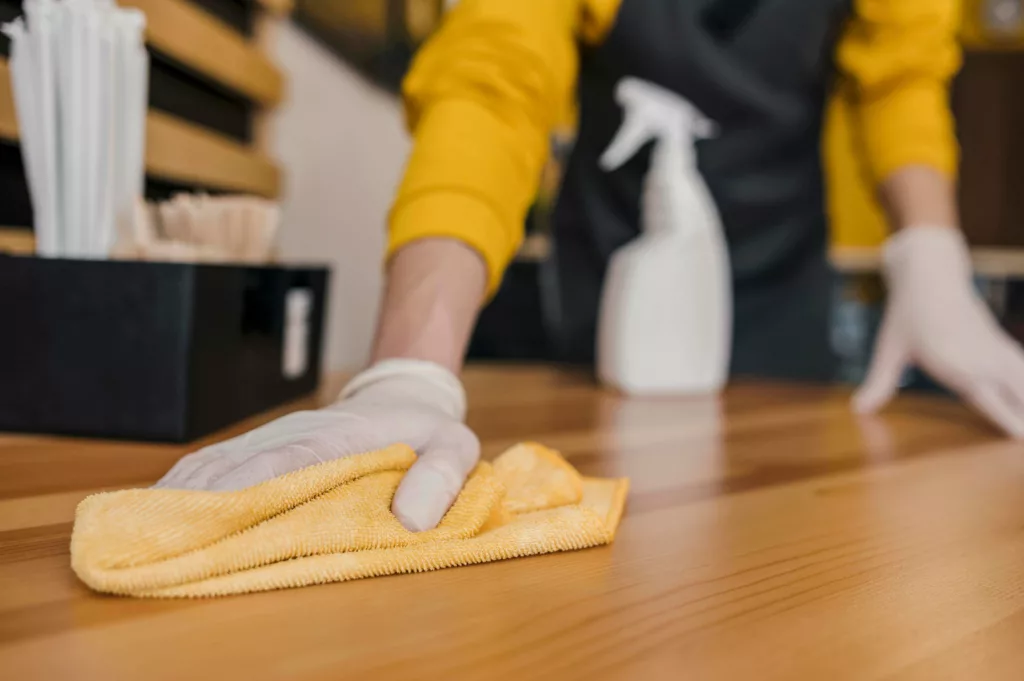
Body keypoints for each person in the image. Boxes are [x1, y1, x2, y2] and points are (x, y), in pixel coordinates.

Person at [157, 0, 1024, 531]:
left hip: (778, 282)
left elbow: (900, 78)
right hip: (610, 284)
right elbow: (493, 82)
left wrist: (930, 251)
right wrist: (411, 366)